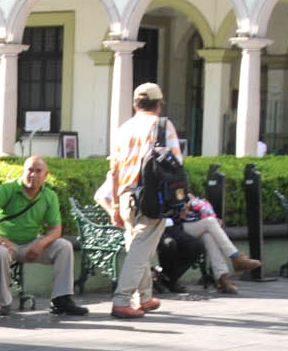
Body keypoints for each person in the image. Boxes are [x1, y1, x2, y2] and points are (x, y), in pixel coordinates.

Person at [105, 82, 180, 319]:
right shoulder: (163, 126)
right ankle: (122, 300)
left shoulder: (124, 128)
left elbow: (114, 169)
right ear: (158, 105)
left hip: (125, 195)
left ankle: (145, 297)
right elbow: (176, 165)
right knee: (140, 250)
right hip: (151, 196)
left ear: (135, 104)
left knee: (137, 246)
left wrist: (115, 205)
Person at [0, 155, 85, 317]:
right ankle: (4, 303)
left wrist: (41, 243)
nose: (33, 174)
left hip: (30, 244)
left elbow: (56, 230)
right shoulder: (9, 188)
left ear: (45, 175)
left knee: (64, 246)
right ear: (23, 171)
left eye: (38, 171)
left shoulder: (49, 196)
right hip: (4, 243)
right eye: (29, 170)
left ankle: (61, 300)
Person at [176, 194, 263, 294]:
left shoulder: (184, 189)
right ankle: (236, 257)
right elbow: (178, 216)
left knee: (209, 235)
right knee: (211, 222)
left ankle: (223, 279)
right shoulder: (170, 190)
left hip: (192, 226)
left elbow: (196, 208)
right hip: (177, 228)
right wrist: (186, 209)